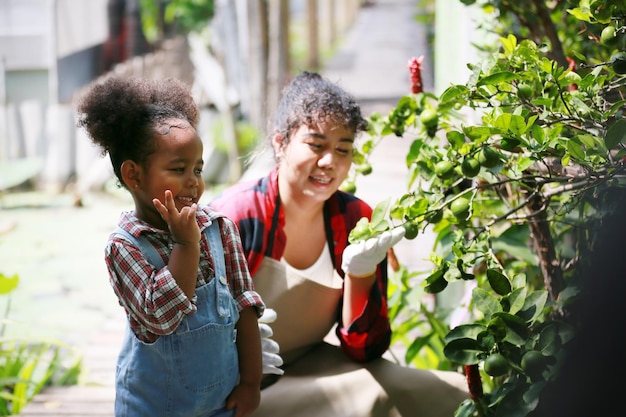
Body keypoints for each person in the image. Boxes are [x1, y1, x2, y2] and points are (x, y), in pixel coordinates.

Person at [210, 71, 469, 417]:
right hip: (232, 387)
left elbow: (366, 349)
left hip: (310, 367)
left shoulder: (354, 219)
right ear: (280, 142)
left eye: (343, 149)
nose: (330, 161)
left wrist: (359, 275)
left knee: (438, 392)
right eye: (316, 145)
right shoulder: (236, 217)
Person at [75, 76, 265, 417]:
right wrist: (185, 244)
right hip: (151, 406)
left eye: (198, 168)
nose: (193, 181)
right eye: (178, 169)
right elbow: (160, 318)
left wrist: (251, 383)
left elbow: (245, 308)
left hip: (222, 402)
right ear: (133, 175)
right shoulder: (126, 247)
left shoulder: (220, 229)